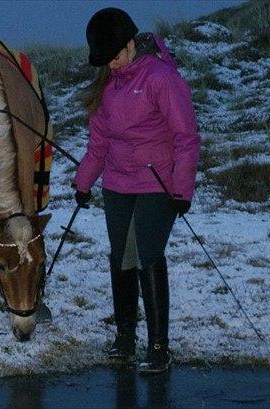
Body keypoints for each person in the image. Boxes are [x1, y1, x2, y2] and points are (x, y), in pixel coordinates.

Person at [73, 7, 200, 375]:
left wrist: (182, 188)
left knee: (147, 254)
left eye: (115, 56)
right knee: (121, 258)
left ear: (131, 44)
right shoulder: (106, 86)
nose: (111, 65)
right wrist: (83, 184)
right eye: (105, 60)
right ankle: (125, 338)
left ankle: (159, 346)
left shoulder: (162, 77)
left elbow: (186, 137)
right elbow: (98, 144)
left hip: (157, 184)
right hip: (116, 183)